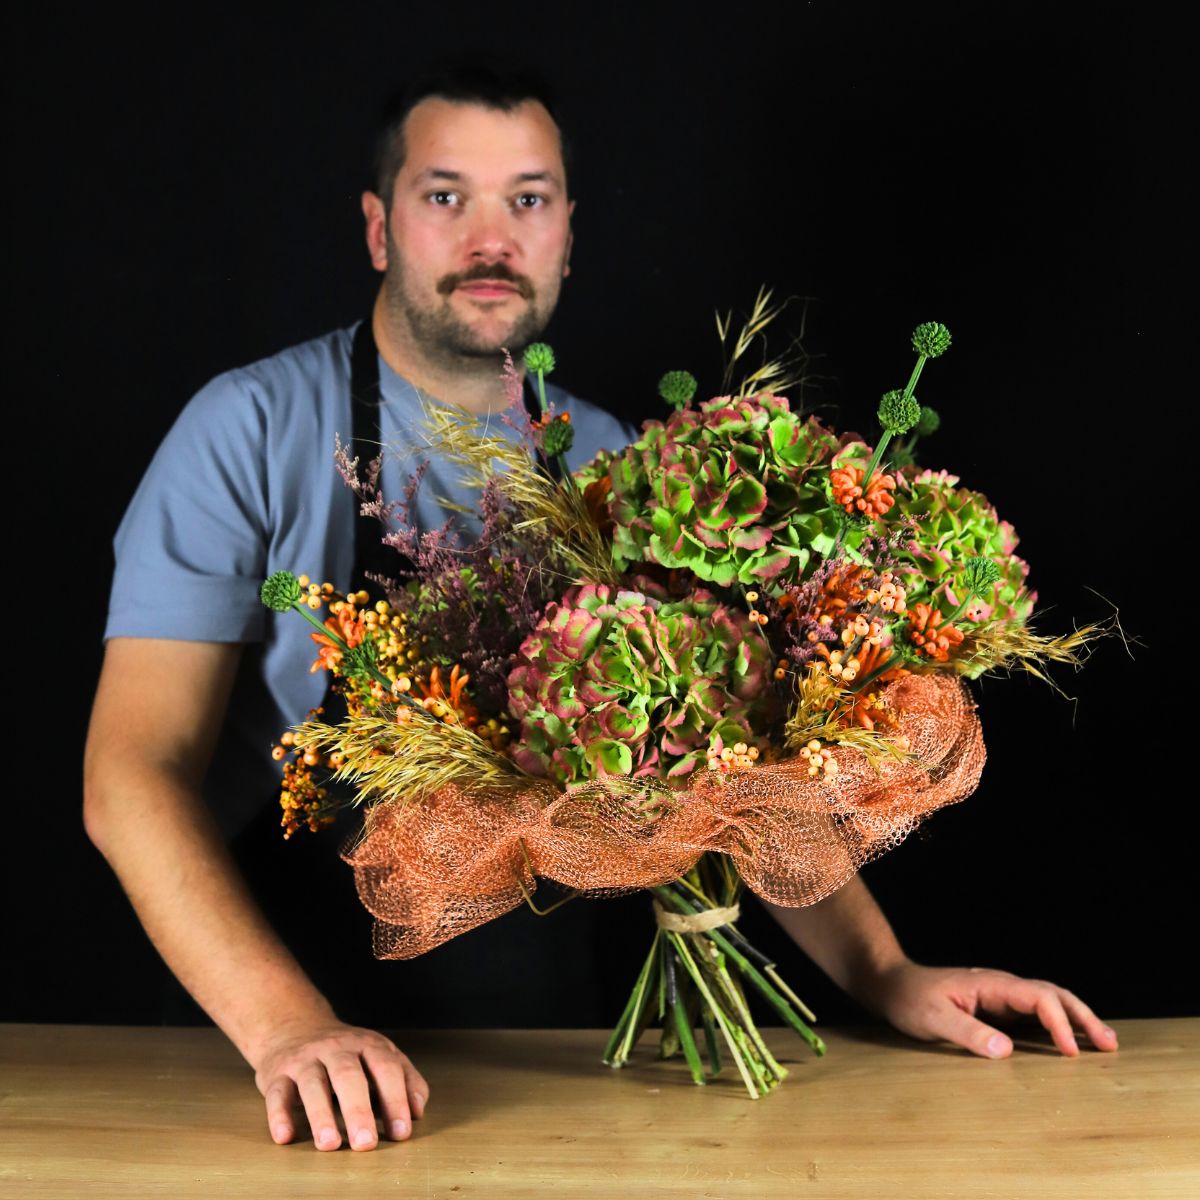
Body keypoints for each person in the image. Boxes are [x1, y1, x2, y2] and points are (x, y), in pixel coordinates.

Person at [83, 65, 1118, 1156]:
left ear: (568, 233)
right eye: (446, 197)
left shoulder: (620, 464)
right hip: (278, 1047)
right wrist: (291, 1030)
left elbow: (736, 782)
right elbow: (130, 775)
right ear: (380, 229)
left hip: (542, 1039)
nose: (492, 237)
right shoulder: (246, 429)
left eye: (527, 199)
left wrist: (886, 973)